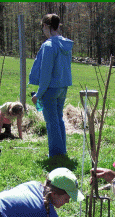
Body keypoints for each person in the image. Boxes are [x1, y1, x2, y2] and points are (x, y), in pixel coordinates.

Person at [29, 13, 73, 158]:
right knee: (58, 119)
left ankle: (55, 155)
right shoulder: (65, 44)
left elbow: (46, 74)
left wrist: (38, 95)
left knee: (52, 122)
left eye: (43, 27)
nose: (43, 30)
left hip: (50, 89)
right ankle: (62, 151)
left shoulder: (48, 46)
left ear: (47, 26)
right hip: (63, 88)